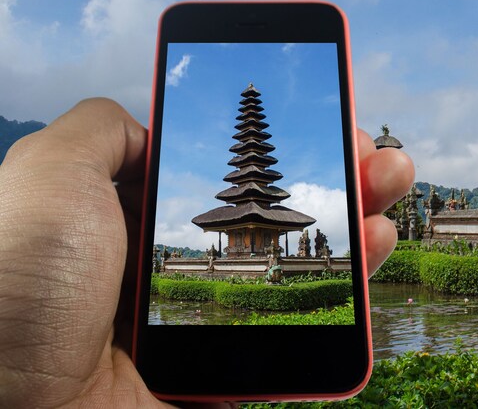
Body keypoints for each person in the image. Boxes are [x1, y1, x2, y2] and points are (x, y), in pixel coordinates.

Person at [0, 98, 414, 407]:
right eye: (240, 238)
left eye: (254, 239)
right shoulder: (240, 224)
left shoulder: (263, 224)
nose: (249, 240)